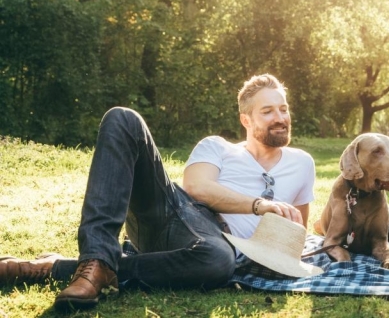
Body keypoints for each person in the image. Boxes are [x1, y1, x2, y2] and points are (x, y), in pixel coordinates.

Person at [0, 74, 315, 311]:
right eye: (268, 111)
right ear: (246, 119)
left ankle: (74, 268)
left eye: (283, 109)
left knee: (218, 261)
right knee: (123, 118)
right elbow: (197, 188)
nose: (280, 118)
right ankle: (96, 256)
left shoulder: (303, 163)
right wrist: (260, 205)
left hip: (213, 254)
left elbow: (297, 230)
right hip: (178, 218)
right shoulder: (217, 146)